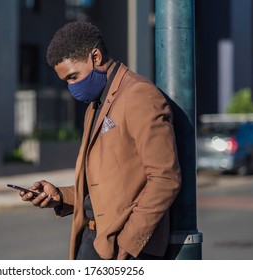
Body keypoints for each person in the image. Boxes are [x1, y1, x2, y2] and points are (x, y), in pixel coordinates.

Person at [20, 21, 181, 260]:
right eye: (66, 81)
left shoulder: (138, 94)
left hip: (123, 249)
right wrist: (59, 196)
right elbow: (107, 186)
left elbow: (165, 178)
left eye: (74, 76)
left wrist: (129, 244)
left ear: (95, 56)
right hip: (94, 239)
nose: (72, 87)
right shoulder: (95, 105)